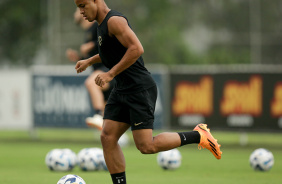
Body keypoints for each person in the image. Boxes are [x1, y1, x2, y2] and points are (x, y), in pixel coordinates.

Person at [74, 0, 222, 183]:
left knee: (146, 146)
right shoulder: (101, 25)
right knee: (107, 137)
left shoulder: (114, 21)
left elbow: (136, 49)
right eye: (78, 6)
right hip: (122, 89)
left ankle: (198, 135)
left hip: (138, 89)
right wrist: (89, 61)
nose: (80, 11)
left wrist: (110, 74)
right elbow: (110, 52)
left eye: (82, 5)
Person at [66, 8, 113, 130]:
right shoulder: (88, 32)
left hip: (111, 70)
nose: (74, 13)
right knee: (109, 125)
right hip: (103, 71)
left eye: (77, 9)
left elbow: (110, 41)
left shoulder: (97, 26)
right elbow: (94, 56)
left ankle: (98, 115)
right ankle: (118, 138)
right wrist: (79, 57)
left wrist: (92, 45)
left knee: (91, 83)